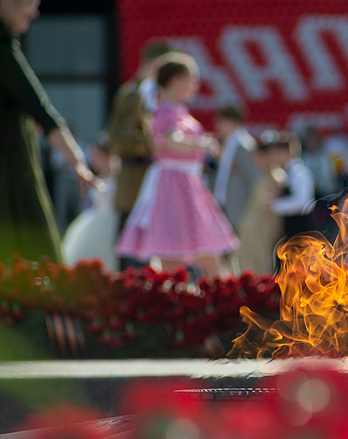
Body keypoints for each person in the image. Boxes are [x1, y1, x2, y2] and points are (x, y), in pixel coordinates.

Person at [0, 0, 99, 265]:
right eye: (29, 1)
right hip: (9, 169)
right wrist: (78, 162)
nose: (34, 12)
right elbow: (41, 109)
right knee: (29, 251)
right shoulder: (4, 49)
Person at [116, 52, 237, 278]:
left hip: (187, 184)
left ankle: (220, 300)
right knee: (173, 250)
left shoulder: (177, 111)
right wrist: (202, 144)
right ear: (177, 81)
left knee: (206, 248)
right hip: (173, 185)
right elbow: (172, 140)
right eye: (193, 79)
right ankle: (181, 304)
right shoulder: (165, 112)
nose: (196, 86)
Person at [106, 40, 172, 270]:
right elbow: (117, 136)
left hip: (158, 184)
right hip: (135, 182)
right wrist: (151, 144)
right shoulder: (135, 94)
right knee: (133, 257)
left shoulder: (160, 95)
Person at [62, 132, 119, 267]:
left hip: (112, 225)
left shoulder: (117, 178)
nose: (93, 160)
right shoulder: (98, 179)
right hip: (94, 222)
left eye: (96, 156)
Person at [235, 131, 285, 275]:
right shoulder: (263, 176)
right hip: (252, 227)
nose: (254, 160)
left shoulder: (276, 177)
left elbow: (271, 207)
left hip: (263, 228)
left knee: (260, 262)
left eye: (258, 156)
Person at [212, 105, 258, 232]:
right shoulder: (228, 143)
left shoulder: (245, 145)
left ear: (230, 121)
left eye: (220, 122)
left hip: (239, 210)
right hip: (224, 207)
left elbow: (253, 180)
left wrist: (251, 211)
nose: (217, 126)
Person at [268, 131, 315, 240]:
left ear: (287, 152)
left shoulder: (299, 172)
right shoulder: (287, 171)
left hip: (300, 231)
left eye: (277, 152)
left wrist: (275, 206)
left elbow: (303, 202)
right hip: (292, 231)